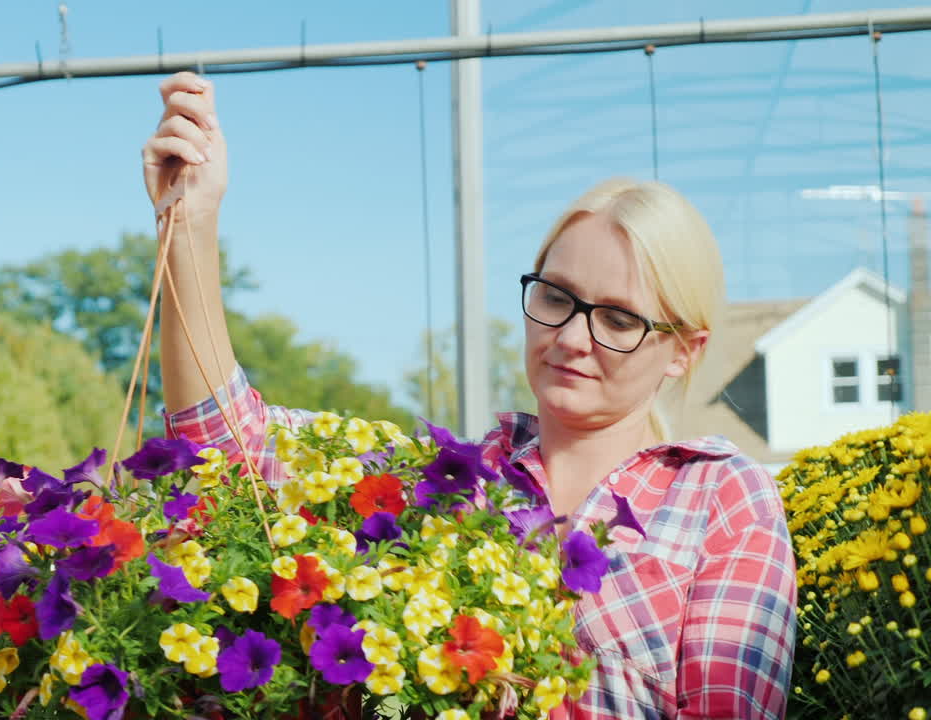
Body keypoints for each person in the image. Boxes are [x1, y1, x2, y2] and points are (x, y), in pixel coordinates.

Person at [142, 71, 796, 719]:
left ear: (686, 350)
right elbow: (225, 445)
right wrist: (193, 222)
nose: (570, 337)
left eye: (618, 319)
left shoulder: (721, 496)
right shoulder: (453, 474)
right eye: (555, 297)